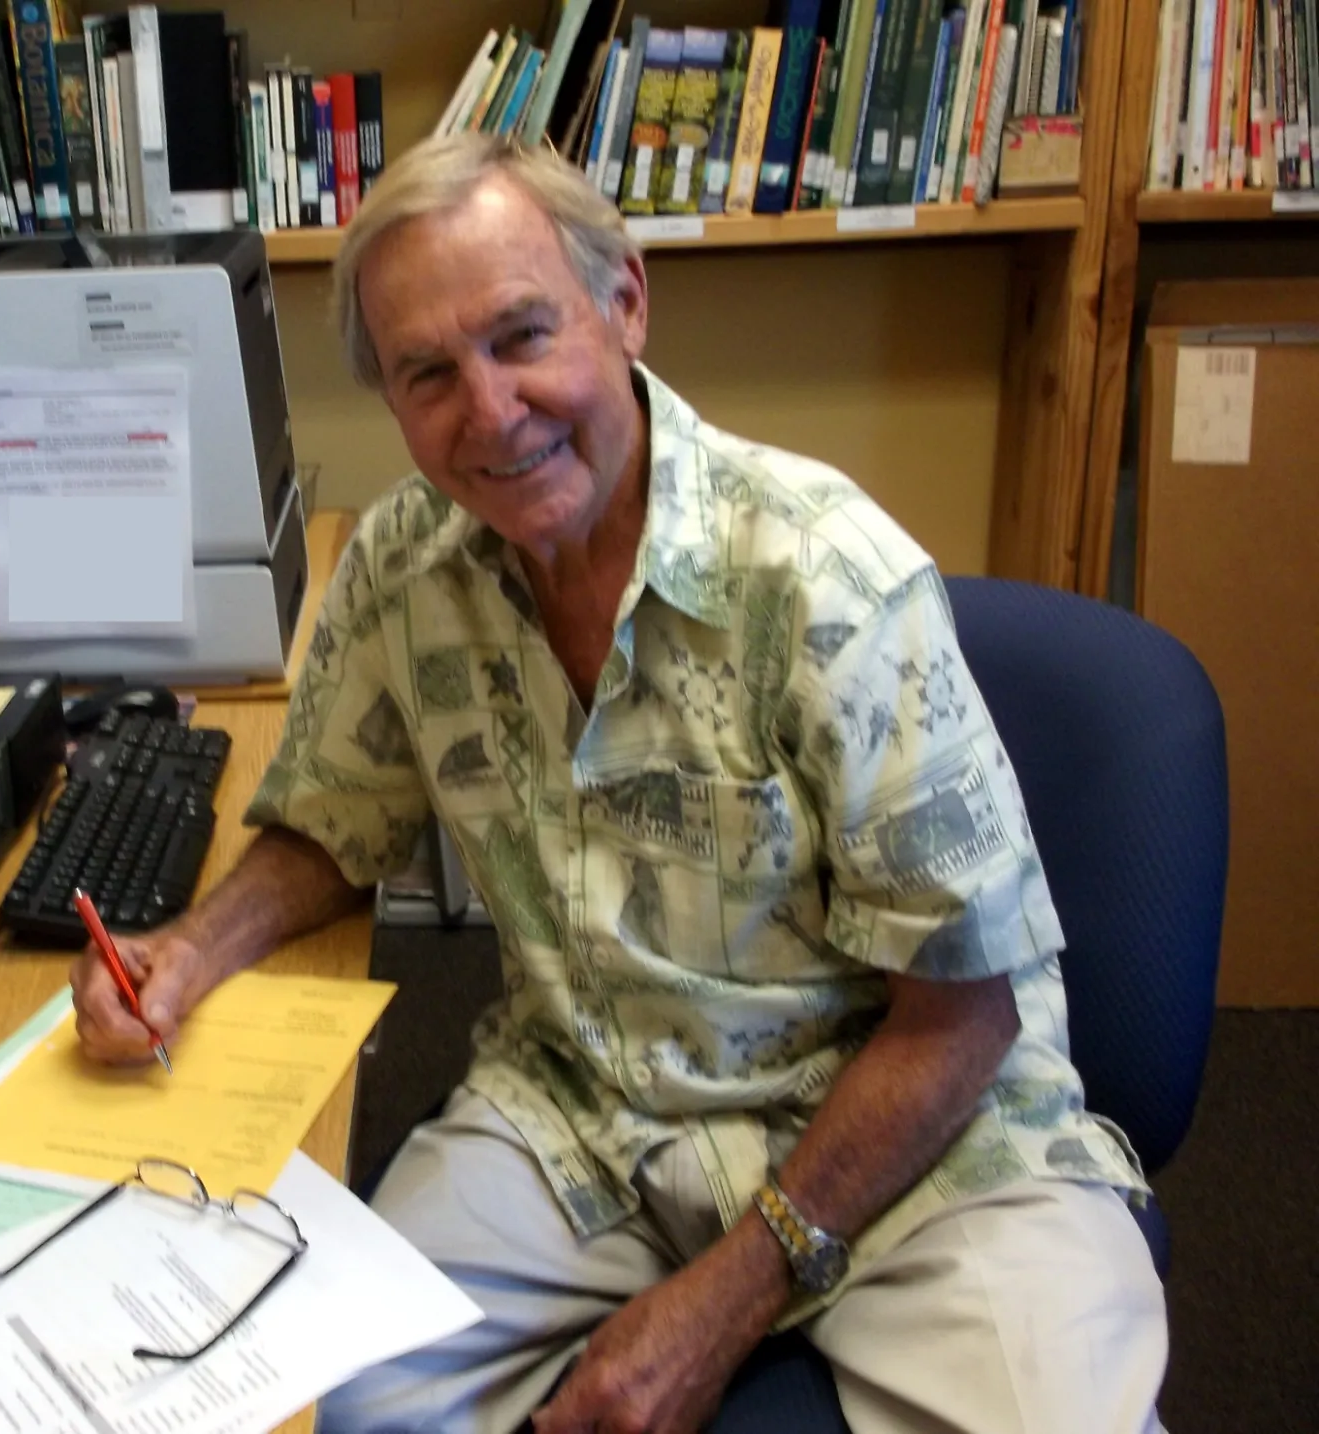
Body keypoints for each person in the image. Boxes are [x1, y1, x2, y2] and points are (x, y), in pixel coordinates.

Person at [69, 132, 1167, 1434]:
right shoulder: (400, 567)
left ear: (625, 304)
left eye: (522, 335)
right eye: (429, 373)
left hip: (912, 1146)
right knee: (311, 1396)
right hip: (589, 1103)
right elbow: (334, 819)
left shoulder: (828, 580)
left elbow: (962, 1017)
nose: (489, 411)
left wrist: (724, 1298)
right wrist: (192, 951)